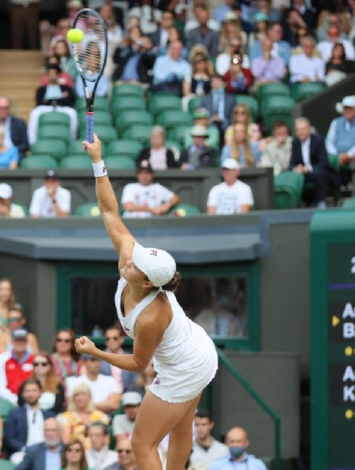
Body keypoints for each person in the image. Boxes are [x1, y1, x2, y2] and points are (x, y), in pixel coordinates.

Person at [78, 134, 219, 470]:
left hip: (187, 365)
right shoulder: (134, 265)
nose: (128, 258)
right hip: (196, 349)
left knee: (142, 443)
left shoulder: (153, 316)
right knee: (182, 424)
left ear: (145, 281)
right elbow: (110, 211)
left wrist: (96, 352)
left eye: (136, 263)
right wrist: (98, 160)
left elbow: (139, 364)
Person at [5, 378, 58, 465]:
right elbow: (9, 438)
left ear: (40, 392)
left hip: (47, 450)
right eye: (27, 391)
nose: (31, 394)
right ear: (23, 394)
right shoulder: (15, 414)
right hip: (23, 452)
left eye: (34, 390)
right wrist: (24, 448)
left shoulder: (50, 415)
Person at [291, 117, 340, 208]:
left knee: (318, 173)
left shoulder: (318, 141)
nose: (301, 132)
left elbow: (323, 163)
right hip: (304, 174)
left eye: (303, 129)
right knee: (293, 176)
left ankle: (321, 202)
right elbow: (292, 163)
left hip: (321, 171)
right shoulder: (295, 143)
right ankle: (295, 205)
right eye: (298, 130)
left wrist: (308, 169)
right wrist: (296, 169)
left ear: (309, 129)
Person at [28, 64, 76, 145]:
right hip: (45, 108)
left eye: (54, 73)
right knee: (34, 113)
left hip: (62, 108)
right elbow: (39, 102)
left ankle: (72, 141)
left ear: (58, 75)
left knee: (73, 113)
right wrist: (59, 99)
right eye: (50, 73)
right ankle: (32, 142)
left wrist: (50, 100)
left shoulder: (65, 88)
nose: (52, 76)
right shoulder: (41, 89)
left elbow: (70, 101)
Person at [325, 95, 355, 167]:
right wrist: (336, 156)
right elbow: (329, 141)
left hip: (354, 156)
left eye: (350, 108)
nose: (348, 111)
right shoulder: (336, 122)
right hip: (338, 156)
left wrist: (349, 155)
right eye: (345, 108)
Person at [59, 384, 110, 449]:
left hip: (97, 453)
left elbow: (106, 440)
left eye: (83, 394)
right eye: (77, 395)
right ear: (73, 398)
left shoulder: (101, 416)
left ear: (89, 397)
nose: (80, 398)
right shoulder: (67, 416)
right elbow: (66, 440)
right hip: (75, 453)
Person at [0, 328, 35, 404]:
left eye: (22, 340)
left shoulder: (34, 359)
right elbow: (0, 388)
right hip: (9, 400)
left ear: (27, 342)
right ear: (12, 342)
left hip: (32, 399)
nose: (20, 343)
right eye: (17, 340)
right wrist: (15, 399)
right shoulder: (2, 359)